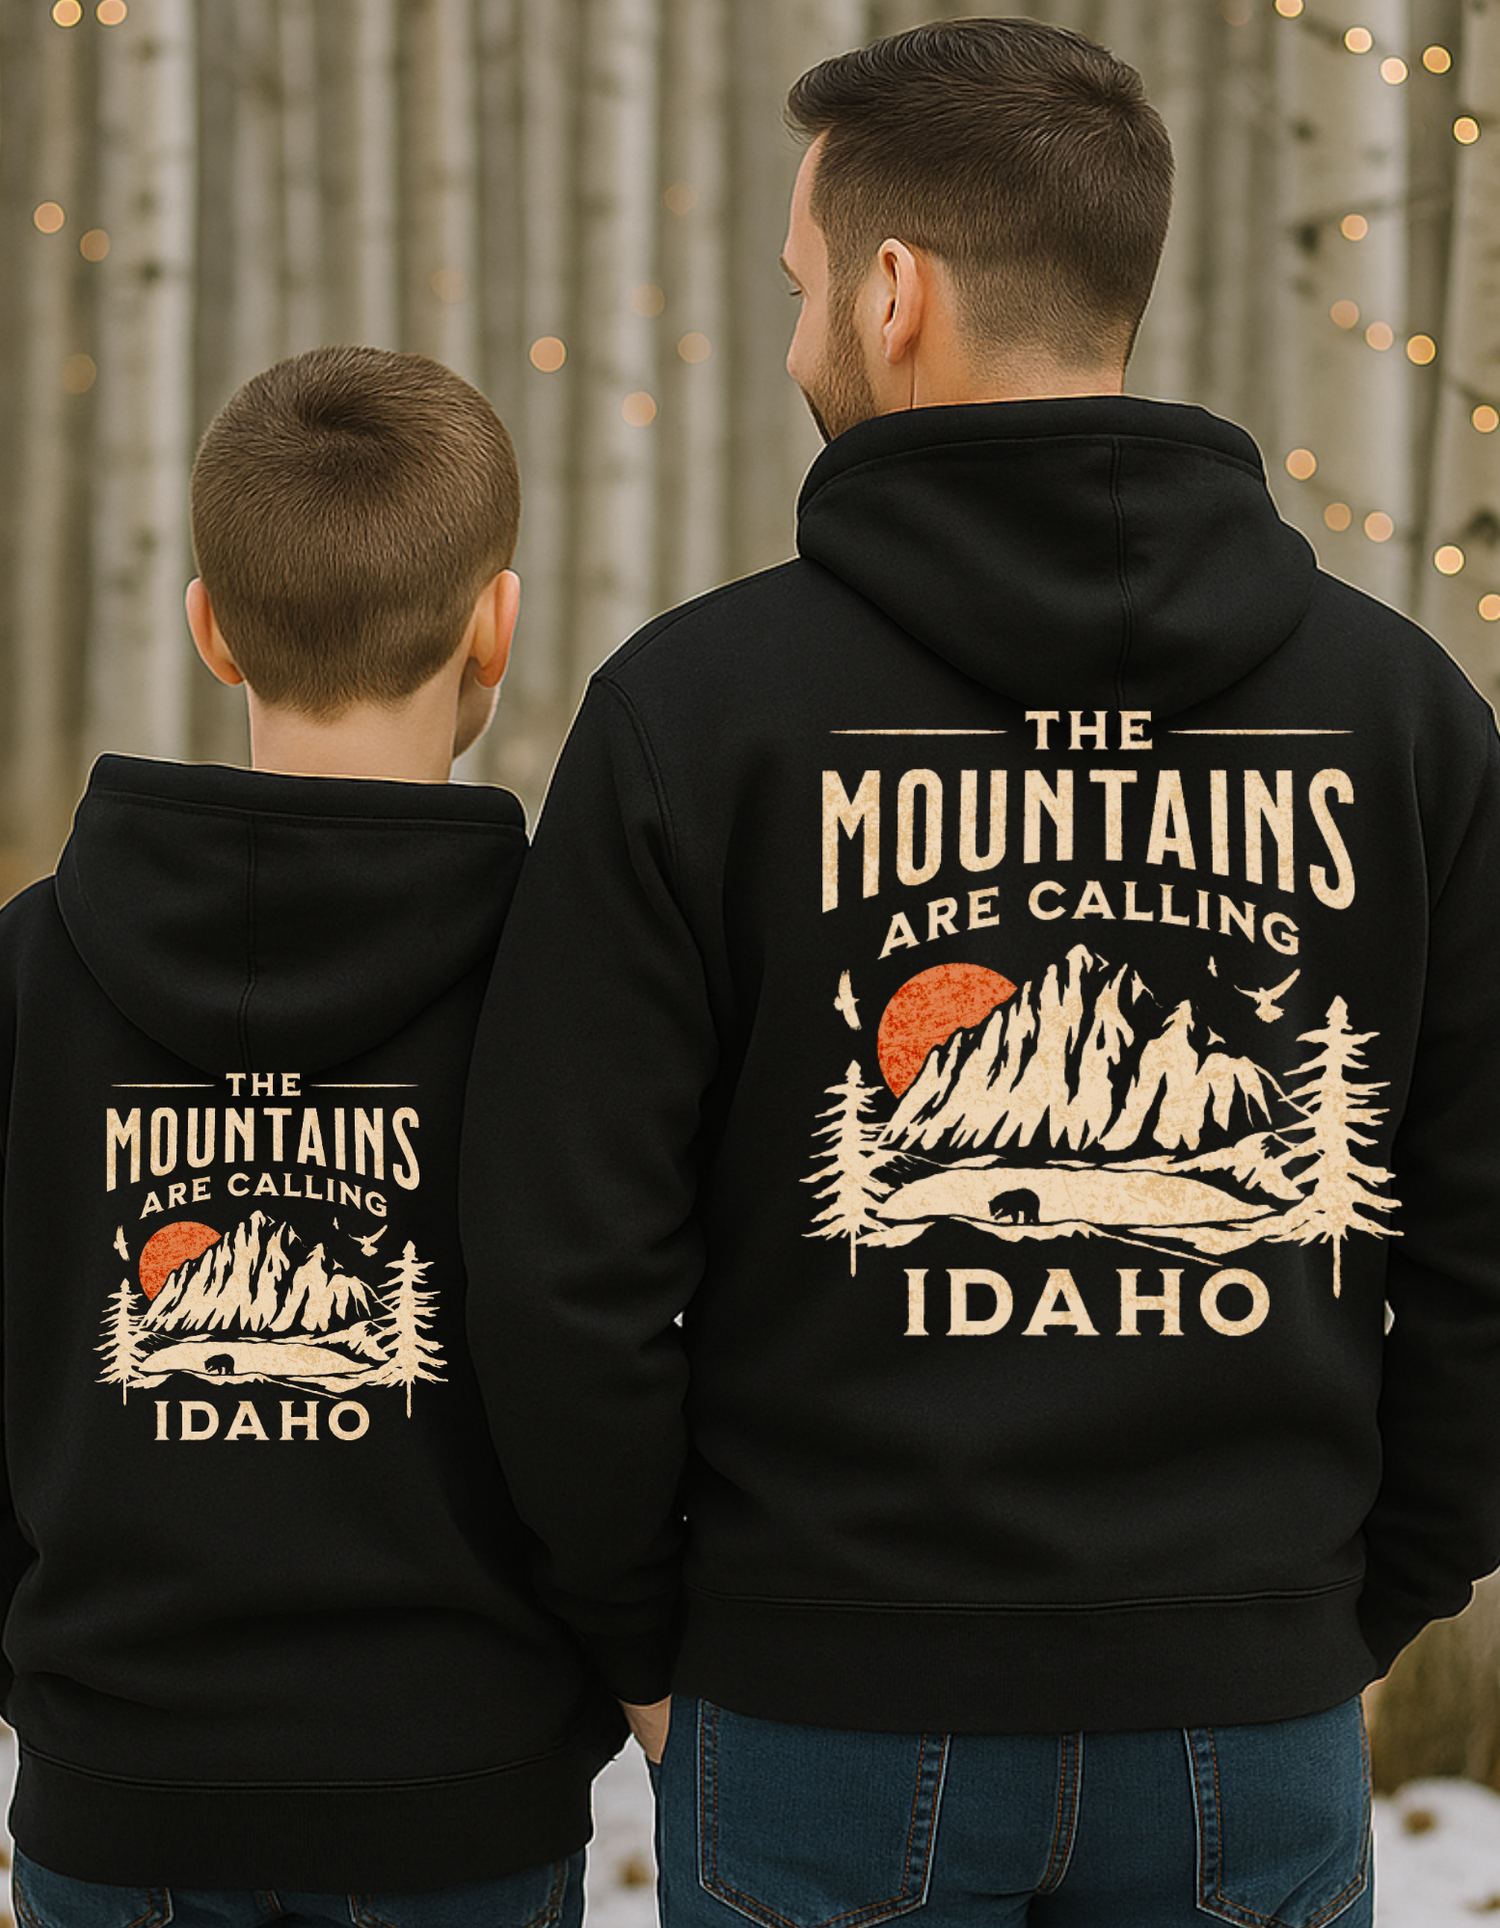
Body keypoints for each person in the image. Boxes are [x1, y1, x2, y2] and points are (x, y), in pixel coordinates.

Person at [461, 18, 1500, 1925]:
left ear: (891, 289)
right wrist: (1362, 1604)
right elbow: (1490, 1227)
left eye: (795, 294)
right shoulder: (1402, 718)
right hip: (1246, 1712)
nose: (791, 347)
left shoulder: (697, 715)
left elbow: (560, 1258)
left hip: (815, 1705)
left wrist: (639, 1630)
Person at [0, 346, 622, 1925]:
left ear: (209, 624)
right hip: (461, 1808)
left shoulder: (24, 975)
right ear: (497, 623)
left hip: (116, 1796)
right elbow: (608, 1356)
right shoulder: (578, 985)